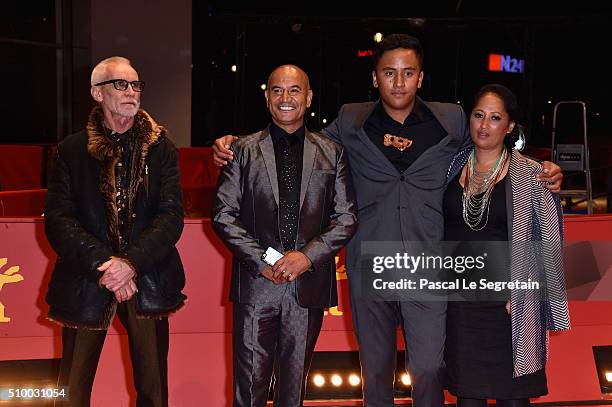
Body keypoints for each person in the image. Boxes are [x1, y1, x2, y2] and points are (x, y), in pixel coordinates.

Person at [213, 34, 563, 407]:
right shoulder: (350, 119)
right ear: (375, 78)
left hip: (428, 265)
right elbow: (298, 142)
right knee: (376, 375)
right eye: (389, 73)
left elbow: (489, 146)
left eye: (407, 73)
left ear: (421, 78)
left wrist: (541, 167)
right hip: (371, 265)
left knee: (429, 370)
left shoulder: (451, 119)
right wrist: (230, 145)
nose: (399, 82)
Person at [212, 64, 357, 407]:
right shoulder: (242, 150)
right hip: (256, 285)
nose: (286, 98)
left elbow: (347, 217)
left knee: (293, 393)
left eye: (294, 90)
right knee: (248, 390)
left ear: (308, 97)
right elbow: (223, 214)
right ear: (266, 98)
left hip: (307, 286)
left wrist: (305, 257)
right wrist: (264, 260)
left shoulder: (331, 152)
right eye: (277, 90)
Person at [45, 56, 186, 407]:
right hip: (86, 280)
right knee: (71, 391)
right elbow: (59, 220)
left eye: (136, 85)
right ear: (97, 92)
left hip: (147, 279)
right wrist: (105, 266)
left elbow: (171, 217)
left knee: (154, 391)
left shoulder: (162, 149)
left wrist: (130, 265)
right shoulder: (71, 151)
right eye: (120, 84)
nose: (131, 92)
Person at [443, 84, 570, 407]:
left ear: (510, 125)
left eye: (495, 118)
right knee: (467, 397)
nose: (484, 126)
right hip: (459, 308)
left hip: (509, 307)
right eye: (478, 116)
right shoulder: (449, 167)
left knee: (513, 398)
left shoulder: (531, 175)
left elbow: (549, 241)